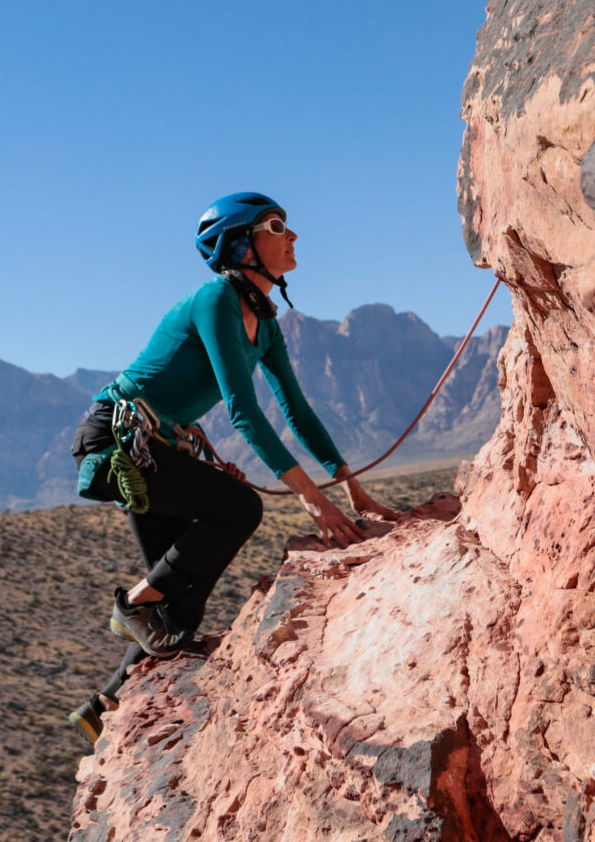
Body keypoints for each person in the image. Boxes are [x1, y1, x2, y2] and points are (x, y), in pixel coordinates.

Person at [68, 192, 397, 744]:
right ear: (240, 244)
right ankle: (134, 603)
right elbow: (243, 411)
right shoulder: (216, 299)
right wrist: (312, 499)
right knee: (237, 508)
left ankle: (104, 704)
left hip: (156, 449)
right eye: (277, 226)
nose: (292, 237)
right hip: (119, 444)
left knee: (181, 607)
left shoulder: (265, 323)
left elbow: (294, 408)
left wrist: (351, 485)